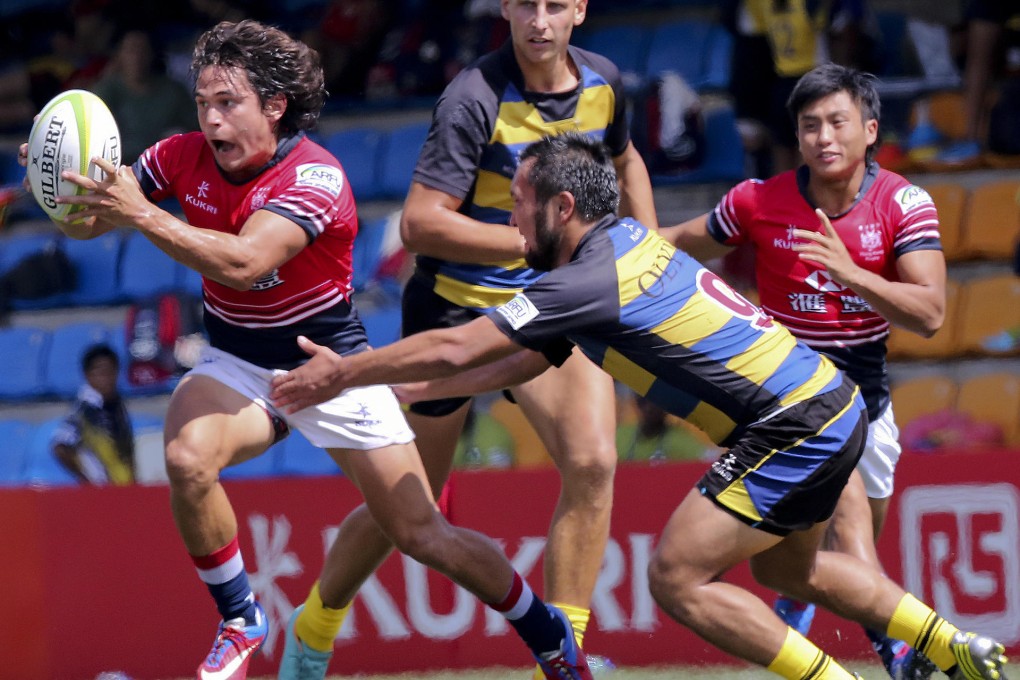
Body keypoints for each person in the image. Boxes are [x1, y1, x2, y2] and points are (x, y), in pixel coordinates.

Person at [271, 131, 1008, 680]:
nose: (511, 221)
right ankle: (952, 645)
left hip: (791, 425)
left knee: (676, 578)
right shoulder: (623, 244)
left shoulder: (582, 283)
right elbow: (528, 359)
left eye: (519, 203)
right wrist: (420, 391)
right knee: (793, 575)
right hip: (830, 403)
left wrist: (346, 372)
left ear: (563, 207)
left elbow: (462, 344)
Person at [45, 20, 592, 680]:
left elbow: (245, 264)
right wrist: (61, 183)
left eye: (228, 103)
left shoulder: (316, 177)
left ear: (275, 106)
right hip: (238, 363)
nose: (210, 120)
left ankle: (548, 634)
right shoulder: (179, 156)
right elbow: (92, 221)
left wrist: (140, 212)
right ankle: (241, 617)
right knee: (187, 459)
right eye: (202, 103)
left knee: (422, 533)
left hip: (329, 366)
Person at [278, 1, 657, 677]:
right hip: (456, 313)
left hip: (550, 307)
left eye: (555, 5)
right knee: (411, 505)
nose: (539, 20)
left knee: (594, 461)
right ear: (505, 7)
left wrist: (646, 254)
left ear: (579, 9)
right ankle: (315, 628)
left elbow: (626, 162)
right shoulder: (473, 97)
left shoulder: (604, 82)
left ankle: (563, 658)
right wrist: (536, 241)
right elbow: (421, 224)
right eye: (525, 4)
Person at [660, 63, 947, 679]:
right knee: (855, 548)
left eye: (837, 123)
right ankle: (910, 658)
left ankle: (799, 599)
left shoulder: (904, 204)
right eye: (810, 125)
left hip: (869, 406)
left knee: (848, 568)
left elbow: (930, 314)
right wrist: (604, 251)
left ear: (870, 130)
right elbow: (680, 242)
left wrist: (852, 274)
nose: (823, 137)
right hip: (792, 408)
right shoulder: (757, 201)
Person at [92, 29, 196, 162]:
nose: (137, 57)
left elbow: (196, 129)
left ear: (152, 54)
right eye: (130, 50)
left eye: (142, 50)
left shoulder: (173, 91)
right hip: (118, 166)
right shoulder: (106, 91)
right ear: (118, 55)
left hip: (163, 165)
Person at [50, 343, 134, 485]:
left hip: (122, 486)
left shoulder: (115, 403)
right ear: (87, 375)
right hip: (100, 487)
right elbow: (60, 446)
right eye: (101, 373)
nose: (107, 379)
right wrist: (86, 480)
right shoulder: (84, 409)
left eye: (111, 371)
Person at [615, 393, 707, 463]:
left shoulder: (681, 440)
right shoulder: (619, 436)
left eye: (655, 402)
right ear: (637, 403)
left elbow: (703, 463)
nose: (649, 408)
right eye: (643, 401)